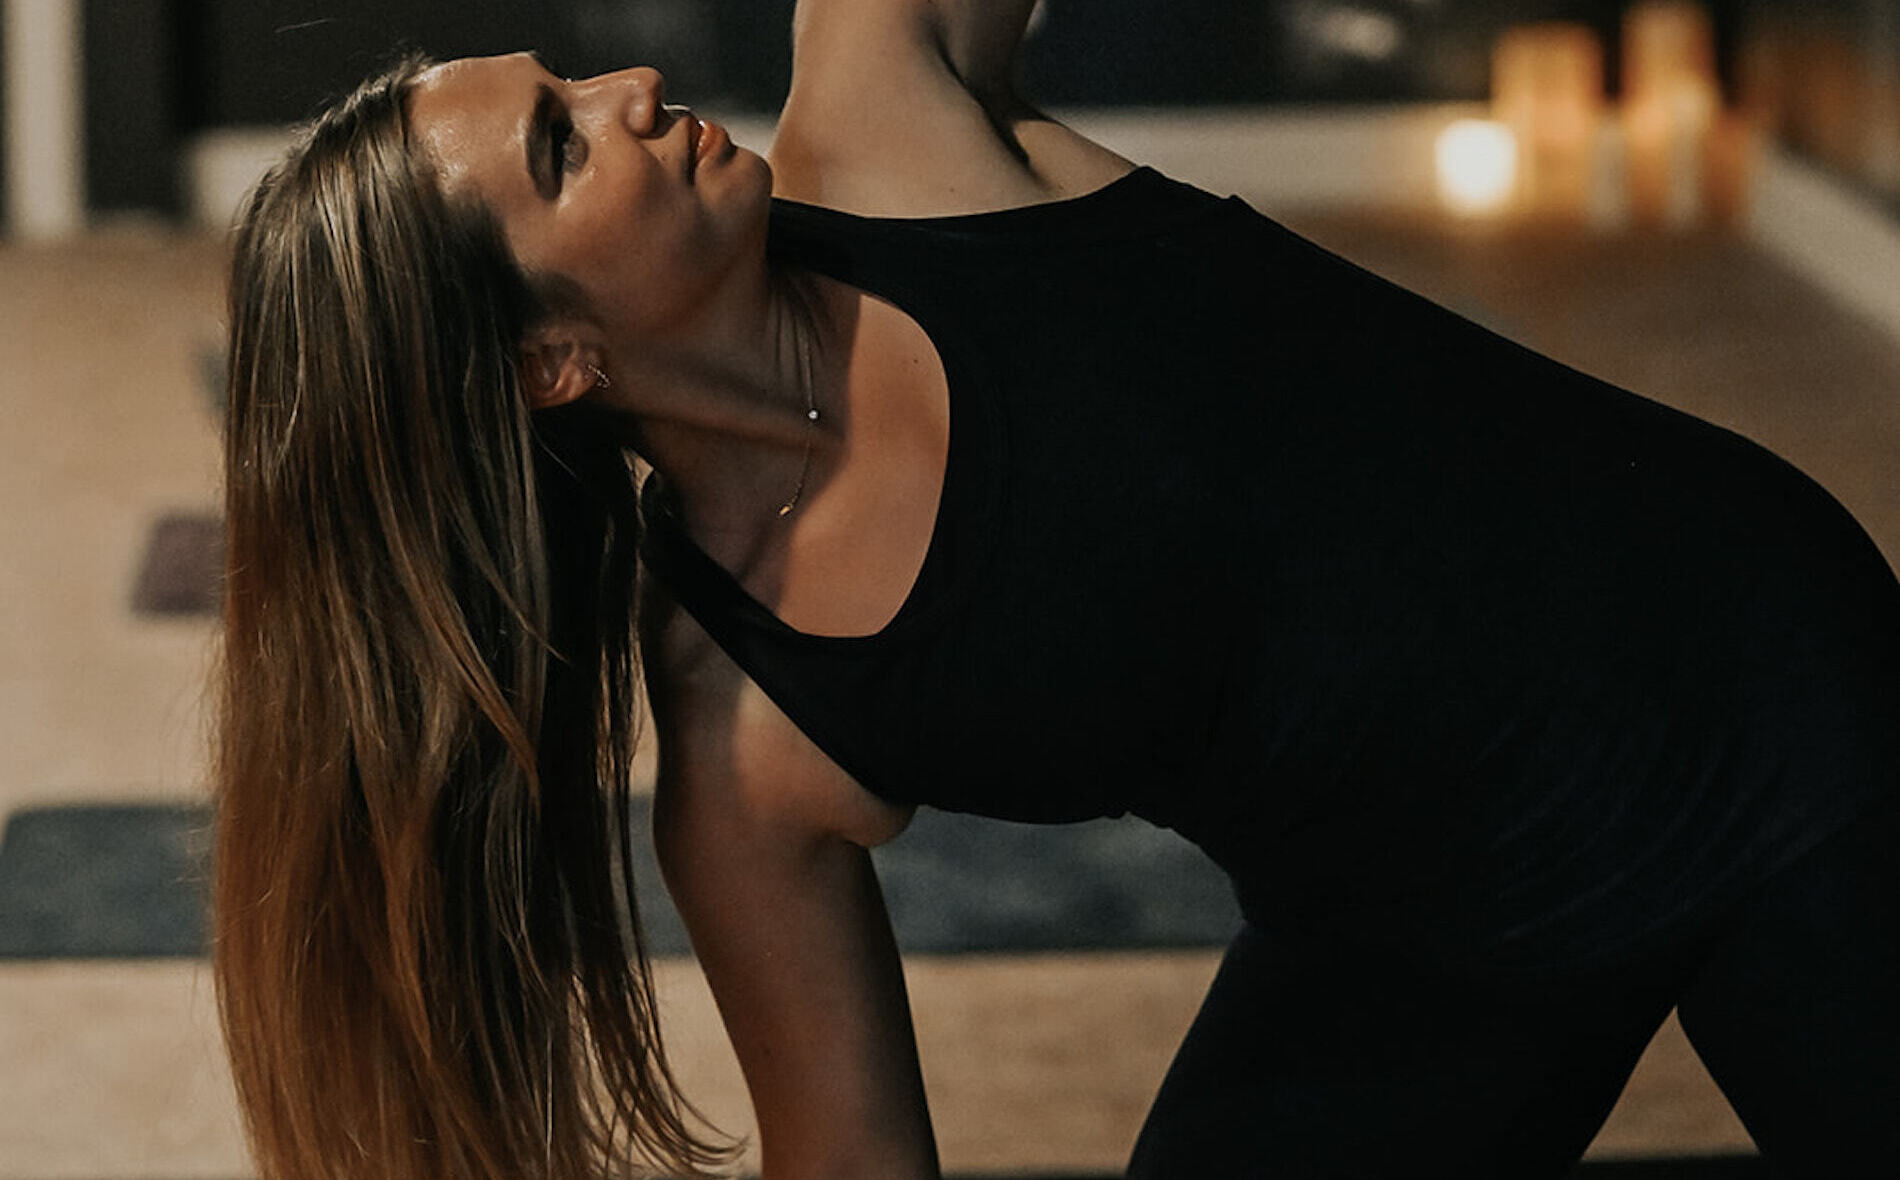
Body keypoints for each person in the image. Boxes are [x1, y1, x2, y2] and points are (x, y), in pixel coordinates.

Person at [212, 2, 1900, 1177]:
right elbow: (853, 1157)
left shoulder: (890, 130)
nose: (634, 84)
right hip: (1434, 929)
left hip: (1756, 699)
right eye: (563, 146)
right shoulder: (749, 725)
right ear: (551, 365)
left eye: (570, 84)